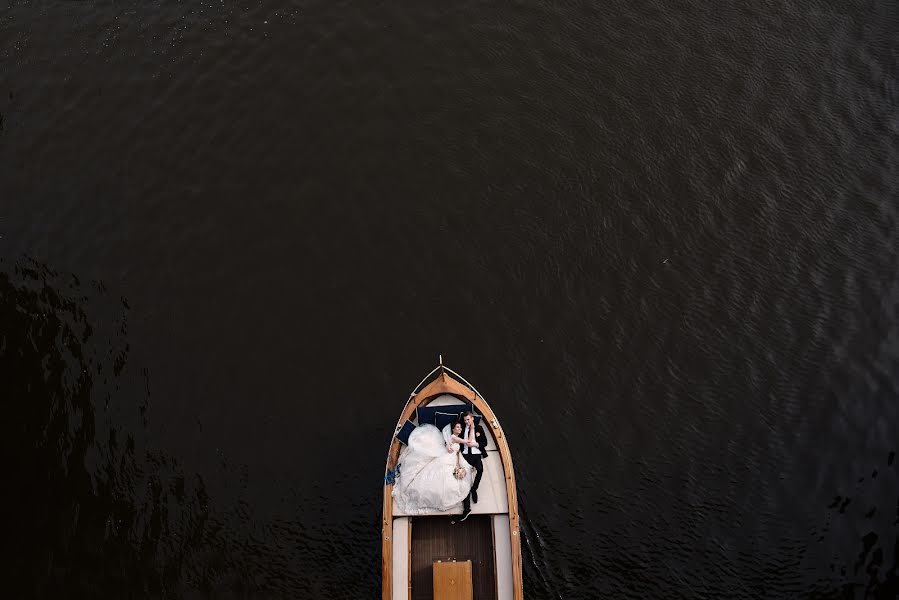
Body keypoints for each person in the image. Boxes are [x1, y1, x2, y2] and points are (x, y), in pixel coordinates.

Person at [391, 420, 475, 515]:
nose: (459, 429)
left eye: (460, 427)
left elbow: (452, 448)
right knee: (439, 476)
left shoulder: (452, 438)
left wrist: (457, 464)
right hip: (447, 458)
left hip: (452, 458)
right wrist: (472, 428)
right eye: (457, 427)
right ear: (453, 429)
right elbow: (468, 442)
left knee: (446, 478)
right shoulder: (454, 437)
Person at [458, 410, 488, 521]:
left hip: (476, 454)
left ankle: (474, 489)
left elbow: (485, 442)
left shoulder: (479, 428)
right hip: (466, 455)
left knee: (480, 470)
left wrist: (475, 444)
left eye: (468, 419)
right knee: (465, 478)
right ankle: (466, 508)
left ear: (472, 419)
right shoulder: (462, 429)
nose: (467, 422)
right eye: (465, 420)